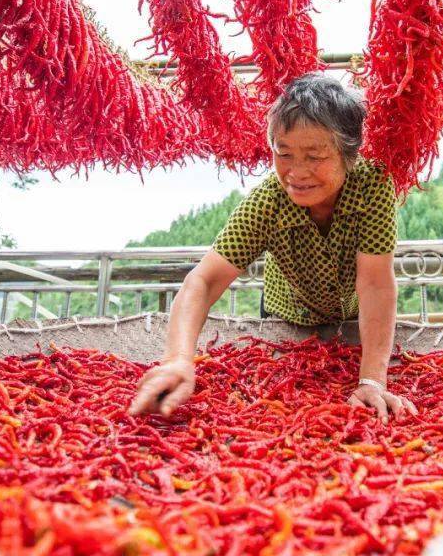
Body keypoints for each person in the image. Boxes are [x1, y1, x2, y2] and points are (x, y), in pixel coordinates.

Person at [129, 74, 416, 422]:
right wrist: (177, 359)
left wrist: (372, 378)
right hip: (286, 316)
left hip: (355, 315)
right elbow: (202, 281)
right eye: (284, 153)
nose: (297, 172)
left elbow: (374, 283)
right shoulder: (269, 201)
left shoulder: (374, 187)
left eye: (314, 155)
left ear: (348, 154)